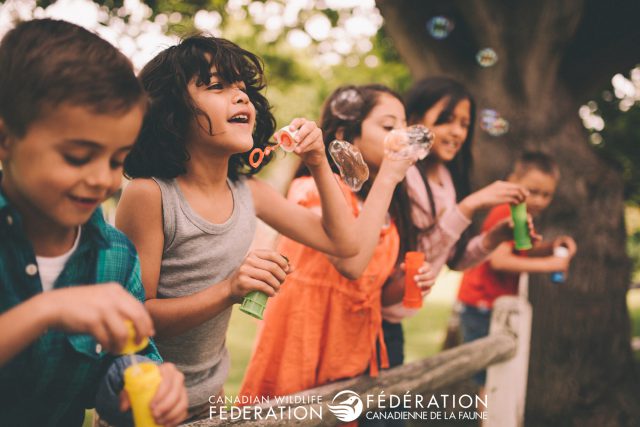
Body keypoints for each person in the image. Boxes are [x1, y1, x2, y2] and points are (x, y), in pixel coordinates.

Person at [115, 35, 358, 420]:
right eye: (216, 86)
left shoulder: (250, 192)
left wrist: (316, 161)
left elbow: (343, 243)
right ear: (171, 112)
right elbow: (134, 317)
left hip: (211, 401)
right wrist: (229, 289)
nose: (241, 97)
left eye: (243, 89)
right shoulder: (150, 195)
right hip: (146, 402)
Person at [0, 19, 187, 427]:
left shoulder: (117, 257)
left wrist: (149, 385)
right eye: (78, 157)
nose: (103, 178)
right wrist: (45, 311)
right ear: (5, 140)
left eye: (117, 160)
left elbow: (127, 360)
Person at [238, 84, 435, 401]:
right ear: (345, 136)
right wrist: (388, 177)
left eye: (404, 125)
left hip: (354, 352)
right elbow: (351, 264)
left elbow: (372, 289)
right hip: (302, 343)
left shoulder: (383, 207)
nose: (402, 135)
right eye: (388, 126)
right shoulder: (311, 191)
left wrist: (407, 283)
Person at [380, 77, 529, 368]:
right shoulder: (402, 176)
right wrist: (467, 208)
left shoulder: (449, 180)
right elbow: (418, 253)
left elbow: (454, 259)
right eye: (446, 120)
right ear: (414, 120)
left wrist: (493, 238)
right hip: (374, 313)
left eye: (464, 124)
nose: (457, 132)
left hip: (393, 322)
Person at [457, 150, 576, 390]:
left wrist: (551, 248)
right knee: (489, 381)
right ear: (512, 182)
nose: (540, 200)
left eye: (547, 195)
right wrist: (550, 265)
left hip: (495, 305)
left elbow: (521, 251)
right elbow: (499, 261)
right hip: (482, 304)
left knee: (498, 377)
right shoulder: (505, 211)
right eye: (533, 191)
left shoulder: (522, 213)